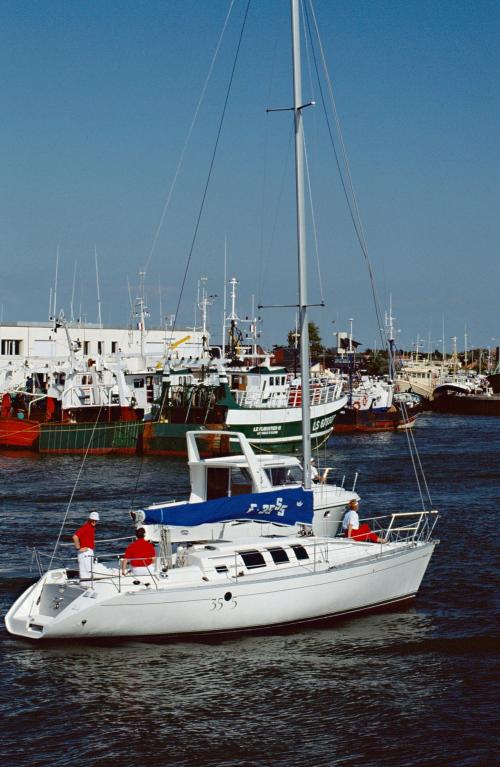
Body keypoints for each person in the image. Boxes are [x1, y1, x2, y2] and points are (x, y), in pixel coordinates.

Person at [72, 511, 100, 580]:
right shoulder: (85, 527)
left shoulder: (91, 527)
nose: (94, 522)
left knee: (89, 570)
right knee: (85, 573)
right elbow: (75, 536)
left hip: (89, 551)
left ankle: (88, 584)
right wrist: (78, 548)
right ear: (89, 520)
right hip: (85, 552)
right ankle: (85, 586)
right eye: (92, 520)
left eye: (95, 521)